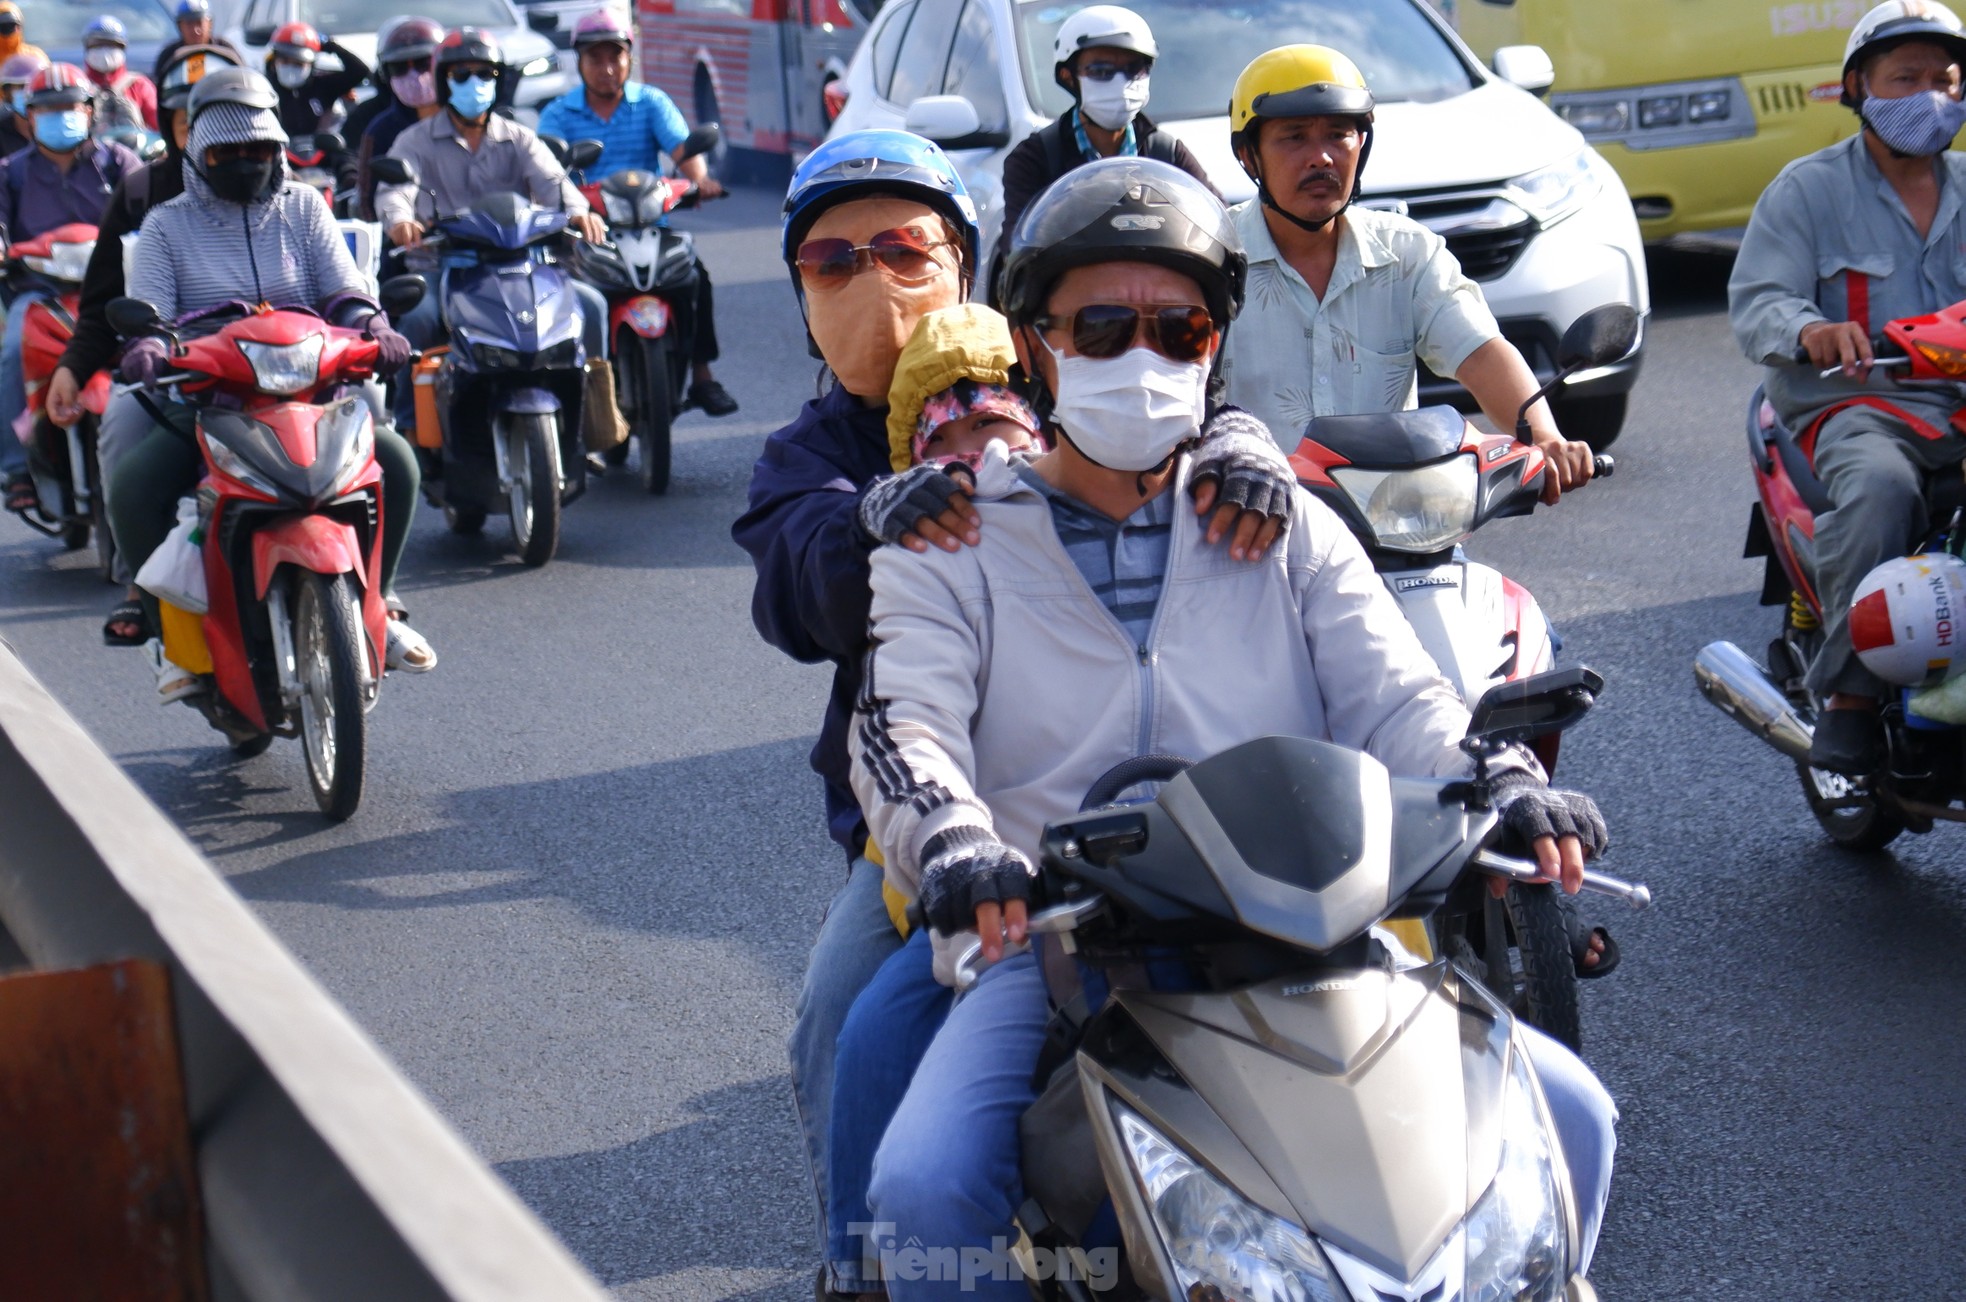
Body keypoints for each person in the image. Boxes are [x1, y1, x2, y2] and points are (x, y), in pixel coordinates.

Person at [846, 156, 1619, 1299]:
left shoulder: (1278, 520)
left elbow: (1398, 695)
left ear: (1216, 344)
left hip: (1307, 939)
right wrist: (960, 846)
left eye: (1181, 328)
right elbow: (904, 736)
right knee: (922, 1192)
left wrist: (1500, 776)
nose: (1143, 356)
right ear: (1036, 341)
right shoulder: (948, 542)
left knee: (1572, 1117)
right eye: (1102, 327)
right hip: (1059, 948)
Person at [732, 129, 1296, 1302]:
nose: (869, 283)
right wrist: (874, 522)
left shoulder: (1066, 380)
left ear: (973, 266)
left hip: (1172, 816)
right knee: (843, 1020)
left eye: (900, 248)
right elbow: (796, 593)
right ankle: (862, 1266)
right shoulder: (809, 457)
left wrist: (1244, 451)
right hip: (946, 836)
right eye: (830, 262)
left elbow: (1176, 420)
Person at [111, 67, 434, 694]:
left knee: (396, 461)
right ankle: (168, 637)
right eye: (227, 151)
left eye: (259, 149)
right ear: (198, 154)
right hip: (211, 397)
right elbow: (148, 309)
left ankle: (384, 602)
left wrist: (375, 326)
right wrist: (149, 345)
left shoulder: (306, 208)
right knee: (134, 489)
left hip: (314, 393)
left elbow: (345, 290)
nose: (246, 161)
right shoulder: (165, 225)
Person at [1730, 0, 1966, 773]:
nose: (1930, 95)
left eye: (1945, 79)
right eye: (1906, 79)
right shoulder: (1807, 191)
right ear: (1858, 89)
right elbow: (1760, 300)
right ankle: (1853, 697)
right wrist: (1810, 330)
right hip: (1860, 408)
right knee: (1880, 491)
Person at [1217, 45, 1597, 502]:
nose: (1320, 157)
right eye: (1293, 137)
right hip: (1251, 522)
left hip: (1395, 523)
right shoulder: (1212, 258)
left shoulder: (1407, 254)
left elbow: (1479, 351)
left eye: (1338, 134)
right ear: (1248, 155)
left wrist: (1544, 438)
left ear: (1363, 145)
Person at [45, 42, 241, 646]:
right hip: (176, 374)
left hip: (284, 370)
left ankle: (372, 593)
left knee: (377, 439)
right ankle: (139, 581)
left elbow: (337, 294)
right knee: (124, 429)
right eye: (188, 119)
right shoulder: (143, 200)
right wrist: (75, 368)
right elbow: (107, 302)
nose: (210, 137)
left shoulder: (295, 202)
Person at [375, 27, 610, 432]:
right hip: (446, 266)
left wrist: (579, 213)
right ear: (444, 82)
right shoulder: (413, 141)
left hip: (521, 265)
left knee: (590, 306)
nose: (474, 84)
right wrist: (401, 221)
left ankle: (593, 421)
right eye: (461, 75)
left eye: (484, 74)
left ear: (498, 81)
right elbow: (395, 190)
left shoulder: (520, 138)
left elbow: (556, 183)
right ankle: (414, 430)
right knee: (419, 317)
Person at [537, 6, 737, 418]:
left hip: (649, 227)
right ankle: (575, 387)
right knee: (568, 299)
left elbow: (686, 156)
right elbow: (544, 173)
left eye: (616, 57)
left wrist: (701, 182)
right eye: (596, 58)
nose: (607, 68)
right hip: (589, 235)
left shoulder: (650, 102)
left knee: (694, 276)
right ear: (580, 62)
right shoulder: (559, 114)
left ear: (630, 57)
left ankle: (702, 375)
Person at [0, 64, 141, 517]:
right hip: (39, 292)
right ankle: (17, 466)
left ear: (89, 110)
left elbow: (153, 214)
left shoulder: (120, 163)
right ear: (30, 116)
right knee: (9, 351)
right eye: (47, 109)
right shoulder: (10, 172)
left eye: (69, 107)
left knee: (156, 349)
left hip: (113, 289)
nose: (60, 116)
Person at [993, 5, 1215, 276]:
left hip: (1158, 299)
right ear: (1068, 77)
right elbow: (1017, 250)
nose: (1120, 83)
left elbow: (1218, 224)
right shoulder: (1034, 158)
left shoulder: (1167, 153)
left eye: (1134, 69)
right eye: (1101, 70)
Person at [887, 305, 1042, 475]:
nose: (964, 454)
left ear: (1031, 417)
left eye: (985, 423)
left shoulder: (1071, 491)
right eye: (935, 439)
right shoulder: (905, 500)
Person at [344, 17, 444, 223]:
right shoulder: (380, 129)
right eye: (399, 68)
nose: (413, 76)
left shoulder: (467, 121)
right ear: (384, 73)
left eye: (423, 64)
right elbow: (367, 201)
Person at [264, 21, 369, 139]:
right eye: (285, 62)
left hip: (319, 152)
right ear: (274, 63)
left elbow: (360, 70)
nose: (291, 68)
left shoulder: (323, 86)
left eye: (299, 64)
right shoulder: (265, 89)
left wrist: (329, 45)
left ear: (310, 65)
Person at [80, 16, 157, 133]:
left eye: (112, 45)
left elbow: (158, 126)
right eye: (97, 45)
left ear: (123, 48)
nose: (104, 51)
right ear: (87, 48)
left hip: (134, 149)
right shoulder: (79, 85)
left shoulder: (139, 85)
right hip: (92, 150)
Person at [151, 0, 239, 83]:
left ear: (210, 24)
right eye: (189, 24)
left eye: (199, 22)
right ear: (179, 26)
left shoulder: (225, 49)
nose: (195, 30)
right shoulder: (169, 55)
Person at [0, 49, 47, 155]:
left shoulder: (58, 129)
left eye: (33, 85)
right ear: (7, 93)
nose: (28, 92)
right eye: (21, 86)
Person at [0, 3, 44, 67]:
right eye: (3, 26)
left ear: (20, 26)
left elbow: (45, 74)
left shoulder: (34, 56)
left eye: (12, 25)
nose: (8, 29)